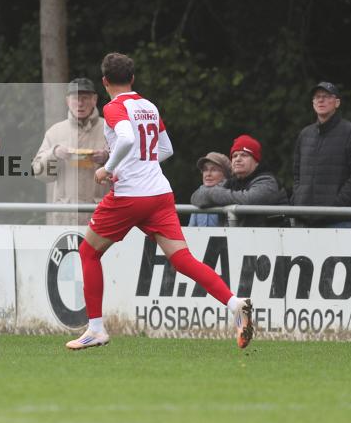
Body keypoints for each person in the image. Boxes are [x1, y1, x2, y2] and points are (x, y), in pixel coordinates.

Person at [66, 53, 254, 351]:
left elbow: (126, 139)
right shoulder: (149, 106)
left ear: (104, 82)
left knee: (88, 251)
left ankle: (96, 329)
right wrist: (142, 163)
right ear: (133, 79)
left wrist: (109, 168)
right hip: (159, 194)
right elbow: (165, 148)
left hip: (129, 196)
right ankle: (234, 303)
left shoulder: (115, 107)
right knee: (182, 259)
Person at [32, 78, 109, 225]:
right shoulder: (55, 132)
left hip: (100, 216)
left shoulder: (109, 129)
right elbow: (37, 171)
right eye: (75, 98)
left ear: (94, 100)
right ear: (68, 101)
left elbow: (129, 167)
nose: (80, 103)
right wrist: (54, 154)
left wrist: (107, 157)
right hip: (65, 218)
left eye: (85, 98)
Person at [292, 82, 351, 228]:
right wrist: (299, 199)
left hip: (338, 220)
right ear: (312, 103)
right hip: (304, 219)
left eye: (326, 96)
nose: (320, 100)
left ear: (337, 103)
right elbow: (296, 173)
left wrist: (337, 205)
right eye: (317, 97)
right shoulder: (305, 134)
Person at [190, 135, 288, 227]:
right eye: (234, 156)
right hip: (241, 241)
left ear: (256, 161)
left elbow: (248, 200)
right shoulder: (231, 182)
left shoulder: (268, 181)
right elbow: (196, 197)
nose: (238, 159)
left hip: (272, 241)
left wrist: (212, 194)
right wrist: (213, 194)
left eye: (244, 155)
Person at [187, 152, 230, 227]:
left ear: (225, 174)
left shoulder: (231, 193)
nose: (208, 174)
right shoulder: (199, 195)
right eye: (205, 170)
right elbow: (191, 229)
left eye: (214, 170)